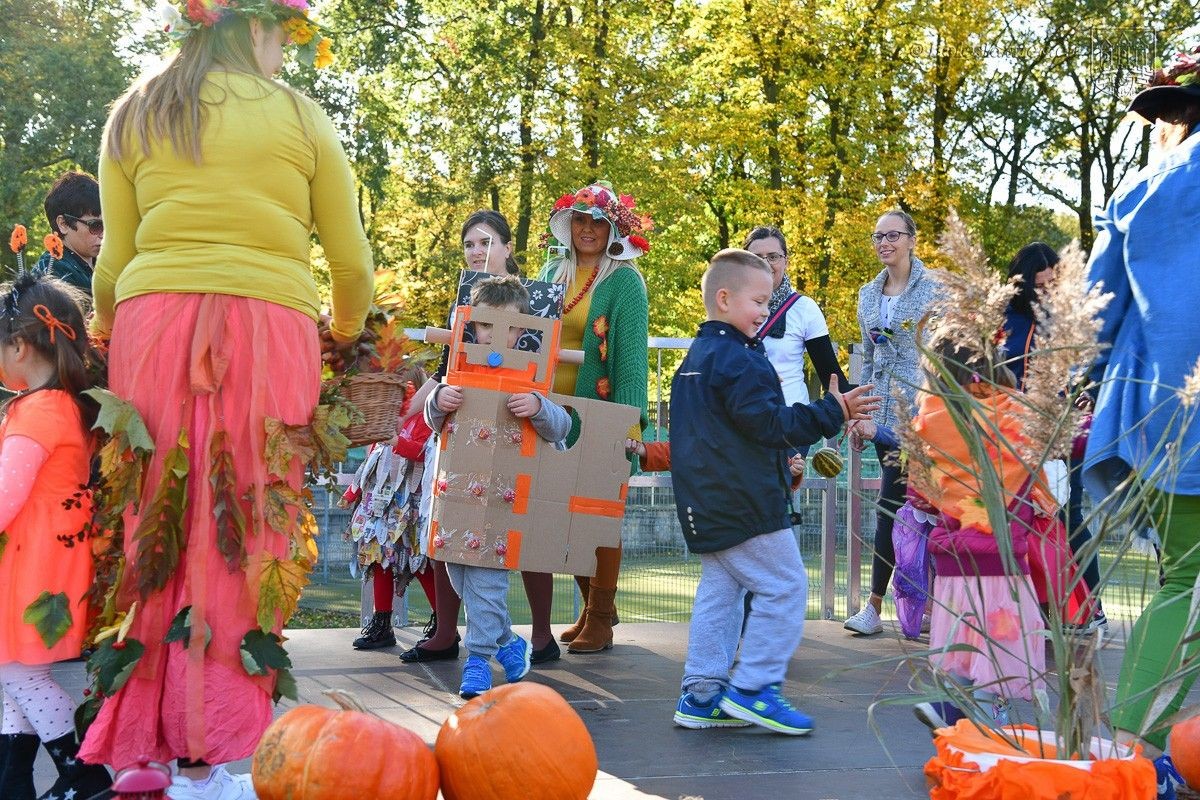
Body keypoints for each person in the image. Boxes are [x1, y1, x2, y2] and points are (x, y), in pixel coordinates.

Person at [78, 2, 373, 796]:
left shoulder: (136, 111)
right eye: (285, 38)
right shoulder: (300, 117)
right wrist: (345, 332)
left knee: (153, 514)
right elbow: (350, 261)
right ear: (266, 28)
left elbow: (114, 261)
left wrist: (113, 330)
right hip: (269, 326)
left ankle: (145, 747)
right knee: (252, 517)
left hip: (150, 324)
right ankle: (231, 748)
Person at [669, 249, 880, 734]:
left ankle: (701, 694)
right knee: (786, 586)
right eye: (759, 301)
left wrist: (779, 463)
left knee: (720, 592)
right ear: (724, 299)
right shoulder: (739, 360)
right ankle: (754, 689)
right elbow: (769, 423)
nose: (766, 310)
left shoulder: (699, 358)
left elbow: (728, 435)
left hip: (707, 501)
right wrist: (834, 410)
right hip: (743, 504)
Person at [1084, 50, 1200, 800]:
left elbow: (1097, 312)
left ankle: (1137, 744)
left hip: (1157, 416)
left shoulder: (1137, 190)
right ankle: (1142, 746)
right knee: (1186, 579)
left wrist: (1074, 401)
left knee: (1179, 578)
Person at [401, 210, 560, 664]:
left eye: (486, 242)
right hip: (467, 433)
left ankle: (537, 635)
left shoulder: (537, 299)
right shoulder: (464, 305)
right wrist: (411, 410)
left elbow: (542, 373)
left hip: (513, 430)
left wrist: (541, 410)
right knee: (451, 533)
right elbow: (448, 370)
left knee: (519, 535)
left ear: (508, 247)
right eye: (470, 244)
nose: (477, 251)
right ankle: (455, 632)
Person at [424, 276, 571, 698]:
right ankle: (508, 641)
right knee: (460, 578)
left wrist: (539, 407)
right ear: (474, 326)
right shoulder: (459, 372)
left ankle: (478, 660)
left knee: (487, 583)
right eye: (488, 326)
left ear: (523, 330)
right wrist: (439, 403)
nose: (497, 336)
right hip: (456, 499)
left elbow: (560, 426)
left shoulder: (530, 374)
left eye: (508, 327)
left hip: (504, 502)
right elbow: (434, 424)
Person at [0, 275, 112, 800]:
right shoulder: (67, 405)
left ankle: (85, 773)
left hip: (33, 562)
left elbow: (5, 497)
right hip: (51, 558)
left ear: (21, 346)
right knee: (15, 674)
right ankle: (14, 781)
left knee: (21, 674)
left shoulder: (38, 411)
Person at [904, 342, 1049, 732]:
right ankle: (986, 721)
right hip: (1002, 564)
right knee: (999, 644)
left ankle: (948, 707)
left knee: (963, 639)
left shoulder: (932, 419)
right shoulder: (1014, 413)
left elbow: (919, 495)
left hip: (953, 565)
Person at [540, 181, 650, 654]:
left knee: (599, 517)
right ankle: (591, 606)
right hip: (548, 413)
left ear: (612, 229)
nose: (587, 228)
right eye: (580, 220)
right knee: (563, 520)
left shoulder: (624, 281)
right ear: (569, 226)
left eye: (597, 222)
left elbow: (630, 361)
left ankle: (601, 617)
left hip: (598, 413)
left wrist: (627, 425)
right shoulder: (551, 270)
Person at [1001, 242, 1107, 631]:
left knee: (1069, 516)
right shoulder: (1004, 317)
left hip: (1062, 433)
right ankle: (1035, 611)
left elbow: (1095, 363)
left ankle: (1091, 607)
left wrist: (1087, 393)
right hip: (1012, 432)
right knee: (1020, 520)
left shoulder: (1069, 317)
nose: (1044, 292)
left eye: (1051, 284)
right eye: (1037, 285)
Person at [844, 210, 941, 636]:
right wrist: (861, 413)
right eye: (878, 236)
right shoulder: (867, 293)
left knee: (935, 513)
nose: (885, 243)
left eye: (893, 235)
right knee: (891, 507)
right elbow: (867, 359)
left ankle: (939, 607)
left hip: (928, 416)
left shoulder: (936, 288)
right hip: (885, 418)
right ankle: (875, 606)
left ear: (912, 239)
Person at [344, 368, 438, 651]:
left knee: (418, 563)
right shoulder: (383, 419)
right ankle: (381, 622)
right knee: (378, 559)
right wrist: (355, 492)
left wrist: (398, 442)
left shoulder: (427, 417)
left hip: (408, 506)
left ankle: (441, 624)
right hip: (380, 509)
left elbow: (425, 452)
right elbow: (371, 461)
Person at [34, 171, 103, 294]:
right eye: (96, 225)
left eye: (108, 224)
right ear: (63, 224)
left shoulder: (105, 263)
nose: (103, 234)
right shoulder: (51, 273)